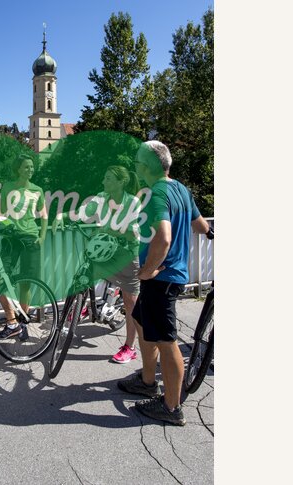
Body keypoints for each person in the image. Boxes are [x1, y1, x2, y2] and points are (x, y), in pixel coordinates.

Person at [117, 141, 211, 427]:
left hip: (162, 278)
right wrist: (212, 233)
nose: (135, 166)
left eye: (137, 162)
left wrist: (146, 271)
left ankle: (171, 407)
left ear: (149, 166)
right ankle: (147, 380)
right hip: (168, 276)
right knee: (142, 320)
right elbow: (199, 223)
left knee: (167, 341)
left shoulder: (157, 192)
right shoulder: (179, 188)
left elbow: (164, 237)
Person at [79, 165, 143, 363]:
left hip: (126, 254)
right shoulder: (101, 198)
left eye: (108, 178)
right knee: (82, 272)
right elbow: (82, 212)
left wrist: (106, 230)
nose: (103, 182)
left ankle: (130, 347)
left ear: (120, 182)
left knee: (131, 301)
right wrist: (62, 217)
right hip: (106, 250)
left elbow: (132, 232)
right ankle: (84, 306)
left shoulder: (132, 202)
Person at [0, 154, 47, 339]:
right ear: (18, 169)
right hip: (11, 238)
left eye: (32, 167)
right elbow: (0, 212)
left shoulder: (37, 190)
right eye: (26, 167)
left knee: (26, 284)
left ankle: (23, 324)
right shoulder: (8, 187)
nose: (30, 170)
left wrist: (41, 237)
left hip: (31, 239)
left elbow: (44, 216)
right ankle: (11, 322)